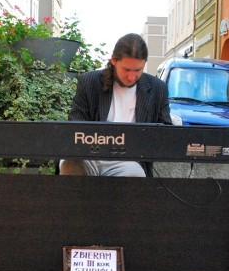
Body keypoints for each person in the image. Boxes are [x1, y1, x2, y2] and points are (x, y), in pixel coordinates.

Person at [61, 33, 172, 177]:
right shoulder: (89, 82)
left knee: (134, 175)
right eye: (126, 70)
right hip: (88, 155)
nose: (131, 77)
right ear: (113, 60)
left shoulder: (158, 88)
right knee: (70, 165)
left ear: (144, 63)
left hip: (129, 161)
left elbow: (167, 134)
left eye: (138, 70)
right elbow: (76, 125)